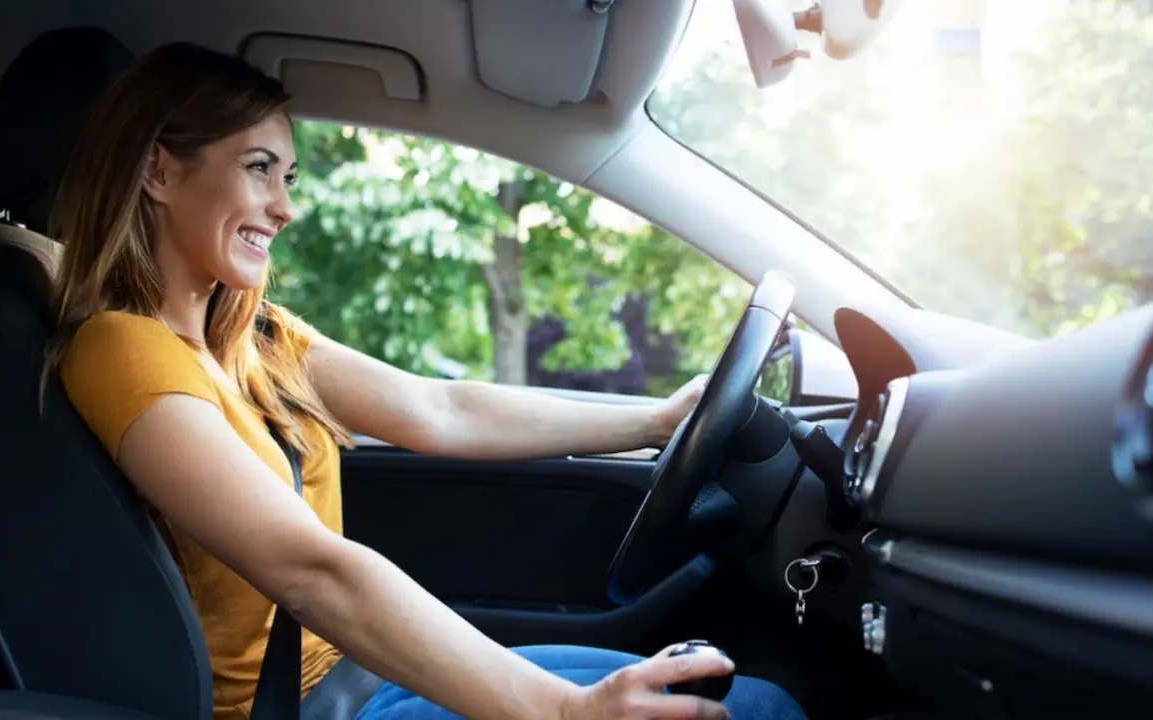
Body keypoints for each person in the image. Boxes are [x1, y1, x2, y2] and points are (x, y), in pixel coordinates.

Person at [44, 42, 808, 720]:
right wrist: (563, 712)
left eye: (290, 176)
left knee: (760, 699)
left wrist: (655, 422)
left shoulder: (254, 333)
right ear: (158, 172)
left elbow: (438, 407)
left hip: (363, 675)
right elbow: (309, 571)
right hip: (303, 706)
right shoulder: (122, 349)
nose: (285, 207)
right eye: (258, 170)